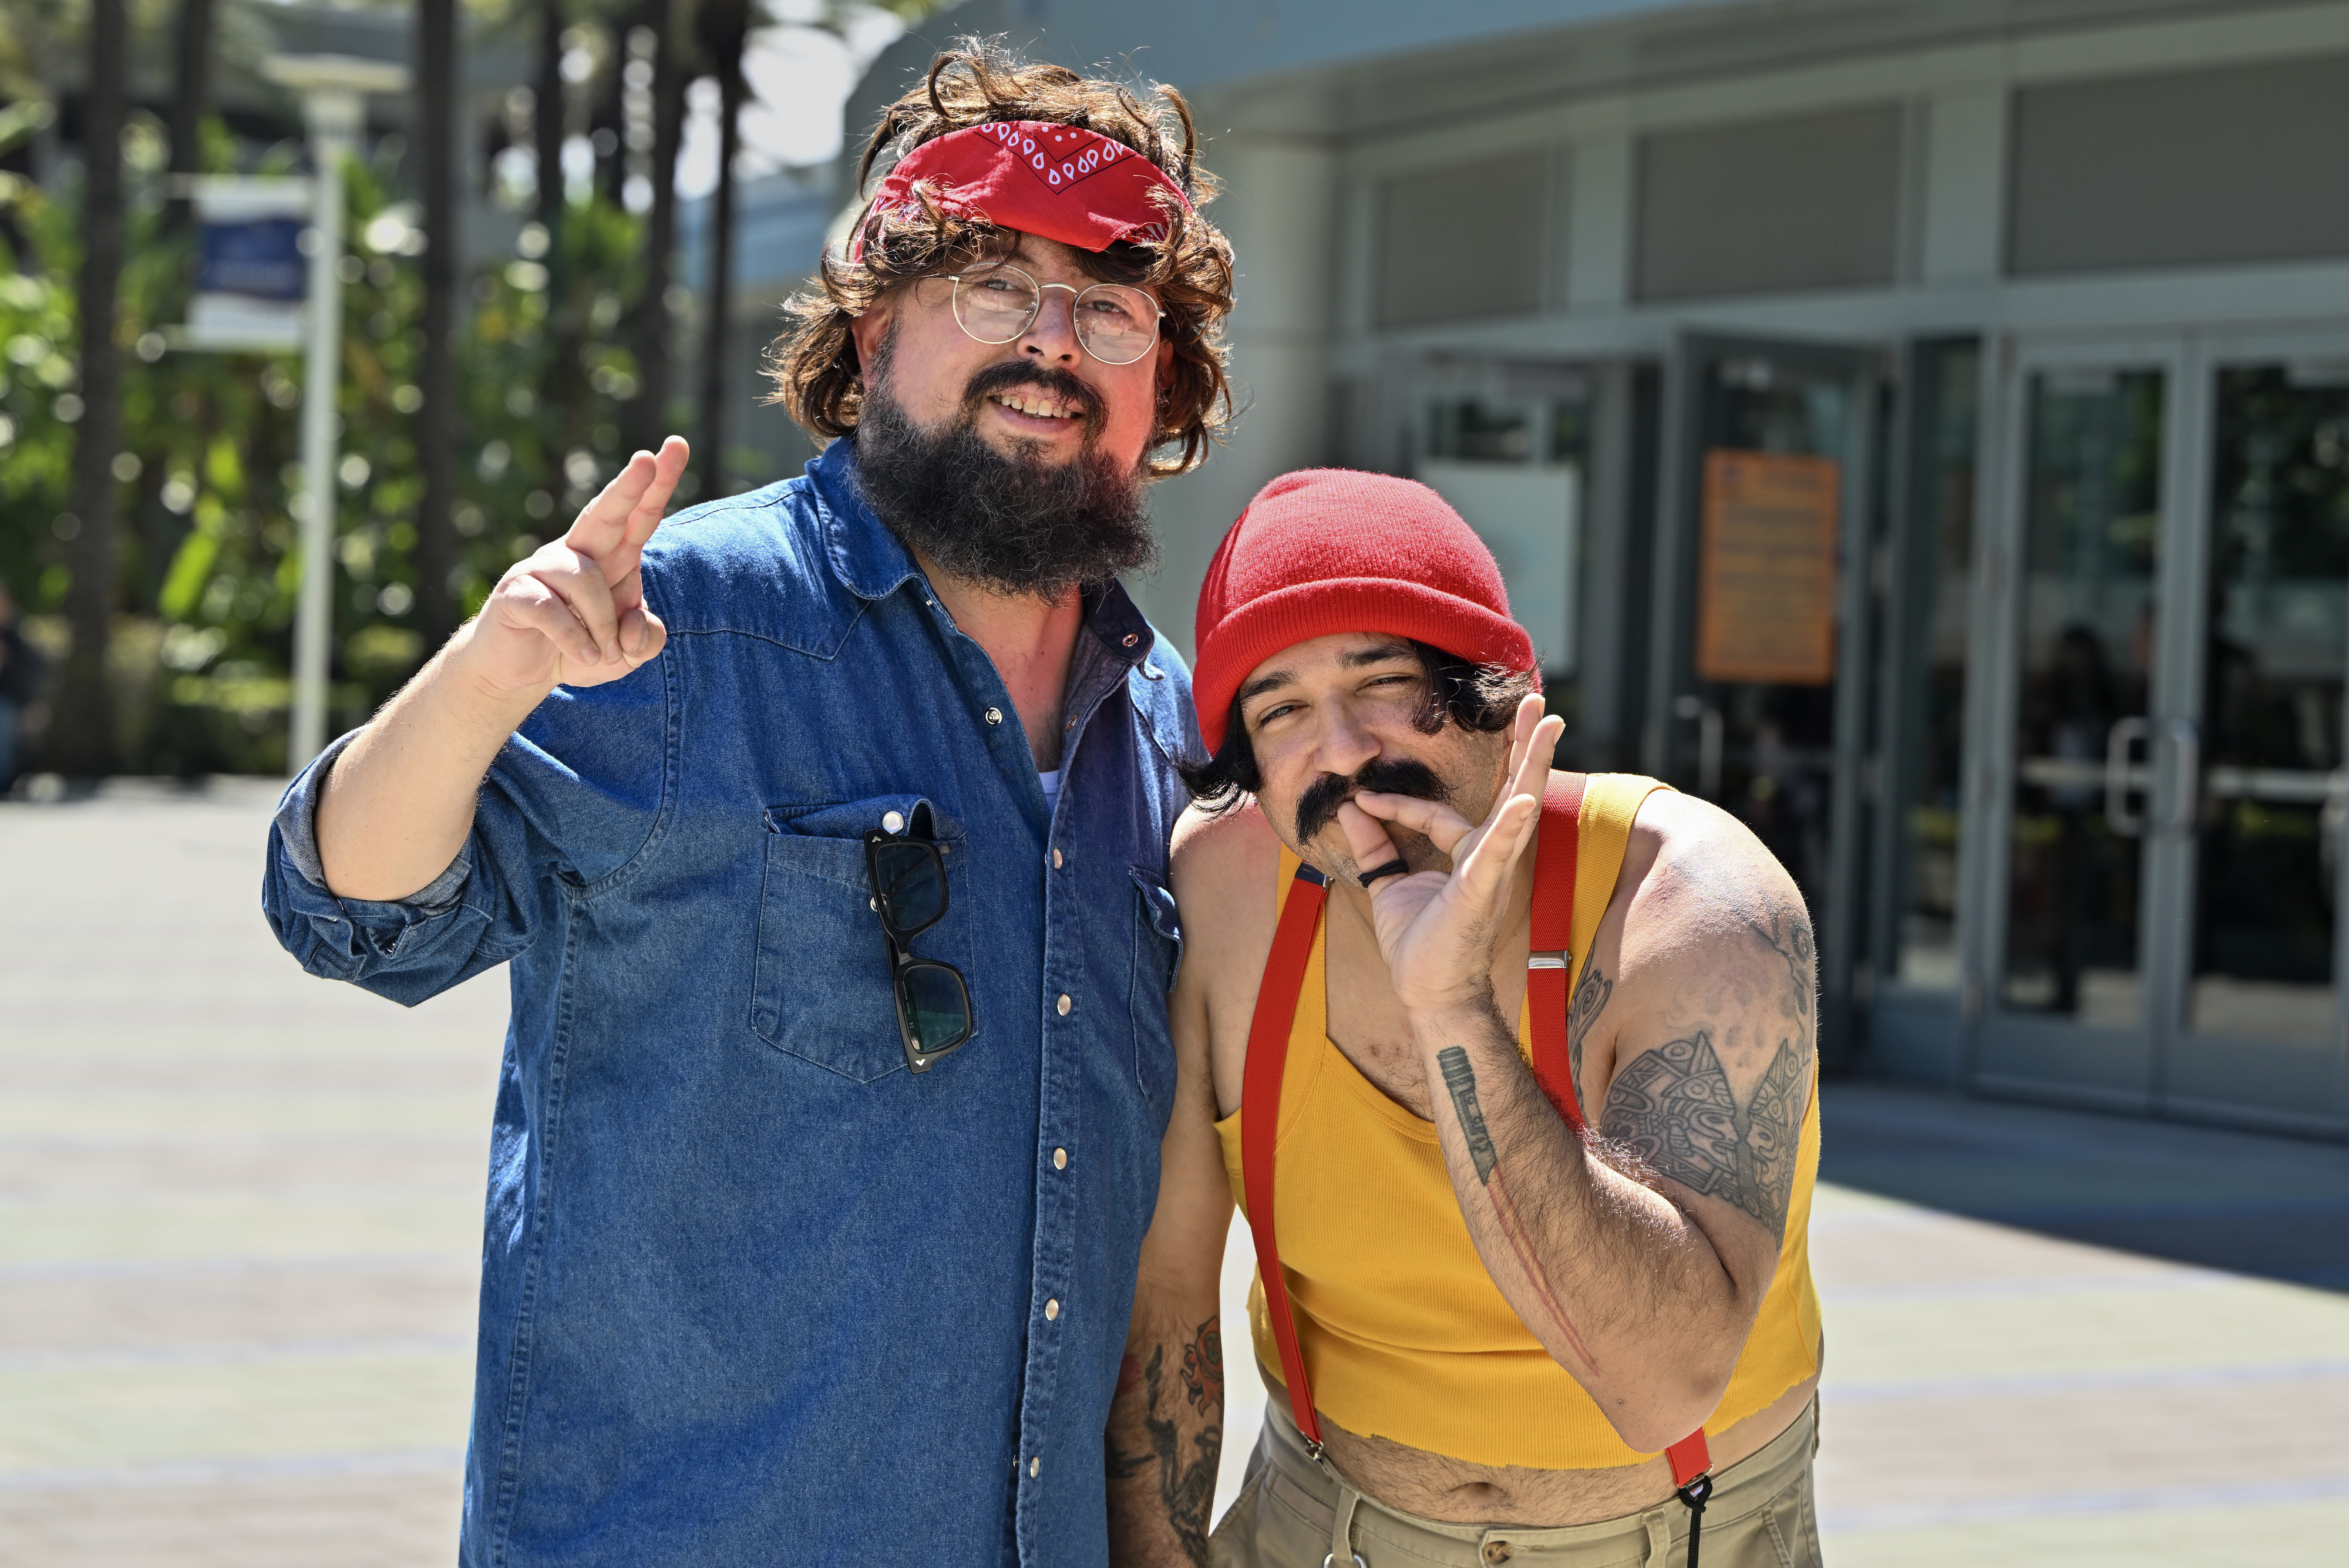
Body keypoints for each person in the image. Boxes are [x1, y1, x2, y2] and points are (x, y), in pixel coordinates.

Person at [261, 43, 1234, 1567]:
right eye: (993, 287)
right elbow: (348, 913)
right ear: (875, 324)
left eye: (1110, 306)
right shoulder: (681, 621)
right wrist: (486, 673)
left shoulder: (1170, 726)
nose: (1052, 343)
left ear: (1161, 377)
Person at [1122, 471, 1825, 1568]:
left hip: (1679, 1537)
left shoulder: (1697, 911)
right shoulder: (1226, 892)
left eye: (1384, 683)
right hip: (1319, 1525)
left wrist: (1448, 1001)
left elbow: (1662, 1385)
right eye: (1280, 711)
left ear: (1498, 698)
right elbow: (1168, 1300)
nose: (1342, 750)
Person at [0, 579, 46, 792]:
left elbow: (33, 674)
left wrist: (6, 665)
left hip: (10, 704)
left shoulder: (15, 639)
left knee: (5, 717)